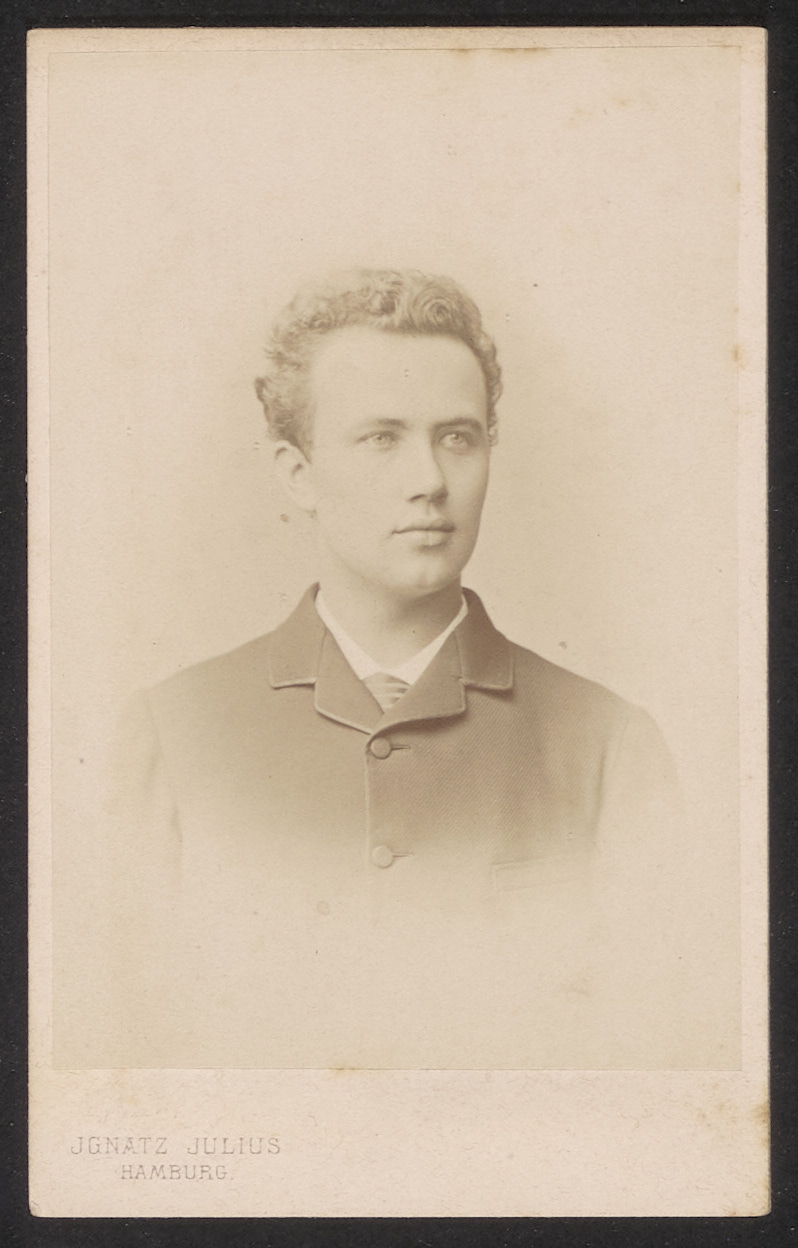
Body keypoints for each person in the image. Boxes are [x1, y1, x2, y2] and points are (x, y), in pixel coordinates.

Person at [99, 269, 696, 1070]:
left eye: (458, 437)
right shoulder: (172, 735)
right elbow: (127, 1053)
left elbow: (655, 1065)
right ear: (297, 472)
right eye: (381, 438)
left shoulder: (610, 747)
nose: (430, 482)